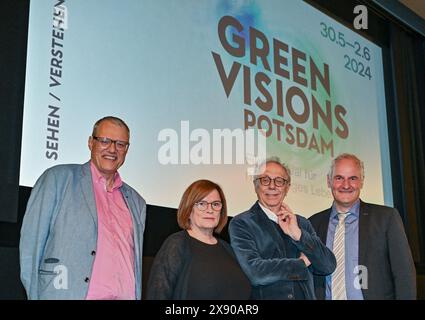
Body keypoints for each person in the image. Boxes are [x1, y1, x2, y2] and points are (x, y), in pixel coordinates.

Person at [19, 116, 146, 300]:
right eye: (104, 141)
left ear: (126, 149)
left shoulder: (136, 202)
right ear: (90, 142)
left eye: (120, 144)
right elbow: (31, 246)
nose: (112, 149)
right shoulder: (58, 179)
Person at [309, 153, 416, 300]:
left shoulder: (386, 218)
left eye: (353, 178)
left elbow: (404, 273)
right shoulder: (313, 224)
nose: (346, 185)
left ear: (362, 182)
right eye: (339, 178)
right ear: (329, 181)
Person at [229, 157, 336, 300]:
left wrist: (298, 235)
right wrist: (301, 263)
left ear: (287, 187)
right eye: (265, 180)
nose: (272, 186)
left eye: (279, 181)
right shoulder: (241, 223)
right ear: (256, 185)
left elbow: (328, 265)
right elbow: (255, 273)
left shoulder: (301, 223)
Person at [146, 179, 251, 300]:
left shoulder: (228, 249)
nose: (210, 209)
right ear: (189, 209)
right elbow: (157, 294)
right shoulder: (177, 244)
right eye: (202, 204)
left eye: (216, 204)